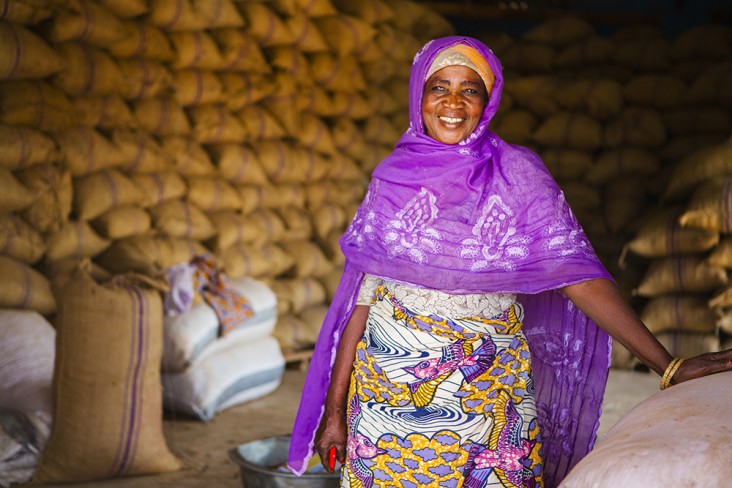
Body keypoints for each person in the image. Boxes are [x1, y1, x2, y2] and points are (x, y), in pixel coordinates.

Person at [287, 36, 732, 487]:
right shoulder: (392, 177)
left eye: (470, 89)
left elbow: (577, 276)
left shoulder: (517, 174)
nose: (453, 103)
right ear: (418, 95)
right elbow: (363, 302)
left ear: (489, 100)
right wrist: (335, 410)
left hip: (488, 398)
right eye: (439, 87)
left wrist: (667, 364)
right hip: (385, 402)